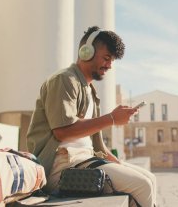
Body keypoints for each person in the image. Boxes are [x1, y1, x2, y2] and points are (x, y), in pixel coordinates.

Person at [26, 26, 157, 207]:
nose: (109, 65)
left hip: (85, 162)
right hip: (61, 169)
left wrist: (120, 164)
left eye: (112, 60)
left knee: (149, 178)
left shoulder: (91, 92)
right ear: (86, 52)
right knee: (142, 186)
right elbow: (62, 132)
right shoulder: (64, 80)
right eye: (106, 58)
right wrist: (111, 118)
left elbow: (98, 146)